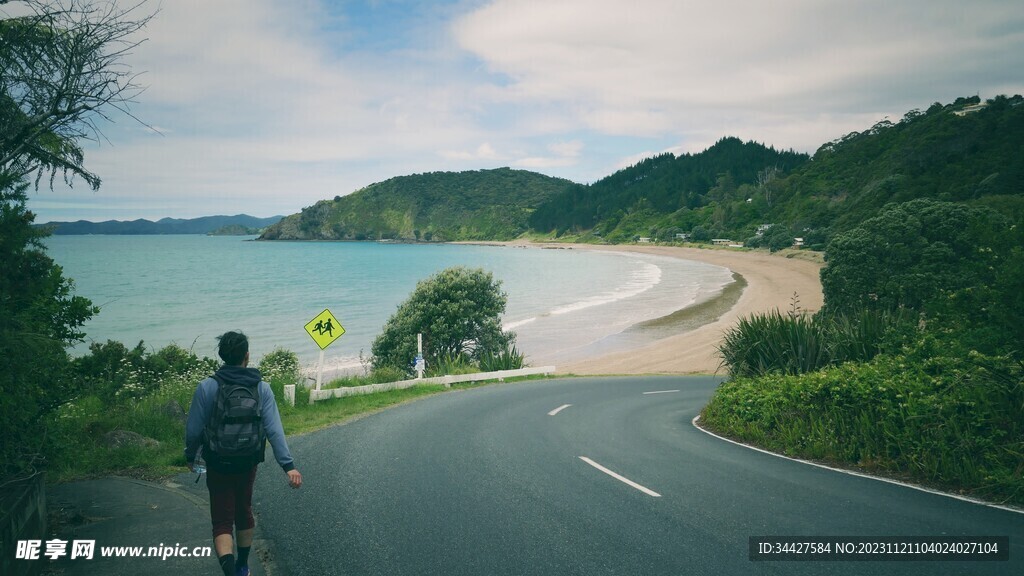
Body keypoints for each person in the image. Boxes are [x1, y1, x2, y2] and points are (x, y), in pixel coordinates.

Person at [185, 331, 302, 576]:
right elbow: (274, 431)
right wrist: (288, 465)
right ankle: (242, 567)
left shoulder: (207, 387)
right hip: (248, 461)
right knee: (243, 510)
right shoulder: (262, 388)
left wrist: (191, 456)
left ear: (222, 356)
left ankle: (230, 570)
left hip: (217, 462)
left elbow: (194, 430)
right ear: (247, 356)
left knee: (222, 520)